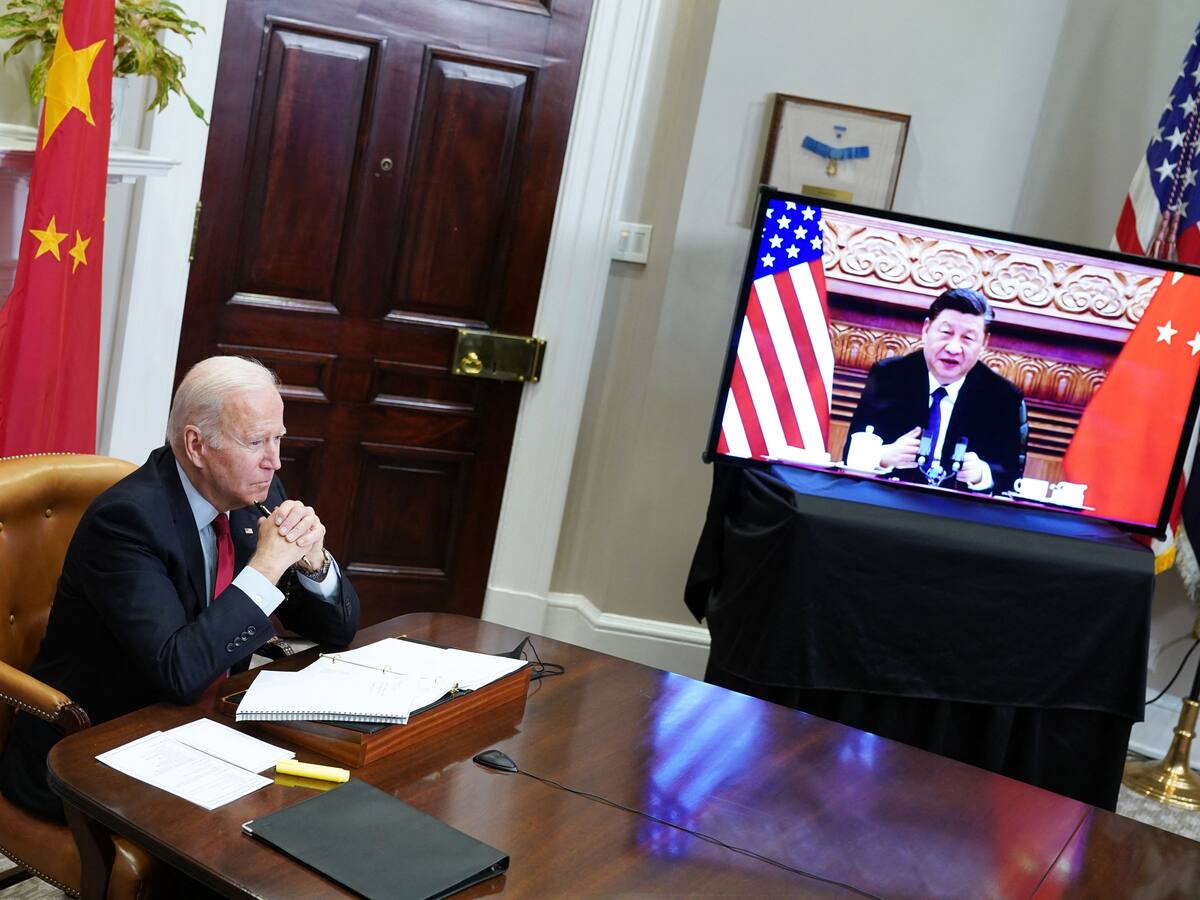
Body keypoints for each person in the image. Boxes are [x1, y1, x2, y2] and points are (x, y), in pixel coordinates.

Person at [0, 356, 360, 821]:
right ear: (196, 445)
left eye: (278, 438)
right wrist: (266, 567)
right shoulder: (126, 522)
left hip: (200, 731)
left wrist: (315, 564)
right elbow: (179, 672)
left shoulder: (255, 493)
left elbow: (337, 631)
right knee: (254, 829)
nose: (274, 460)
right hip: (96, 748)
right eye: (255, 442)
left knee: (320, 803)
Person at [842, 288, 1027, 495]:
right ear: (926, 329)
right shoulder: (889, 376)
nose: (954, 348)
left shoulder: (1003, 397)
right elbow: (851, 454)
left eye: (968, 338)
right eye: (946, 333)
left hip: (959, 511)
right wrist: (883, 457)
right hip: (888, 501)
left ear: (984, 343)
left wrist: (981, 475)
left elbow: (1012, 477)